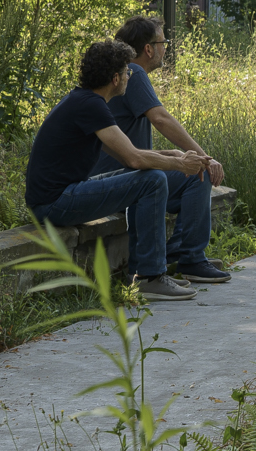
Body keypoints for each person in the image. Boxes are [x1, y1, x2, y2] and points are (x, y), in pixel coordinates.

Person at [23, 40, 208, 302]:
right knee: (153, 180)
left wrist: (173, 154)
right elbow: (134, 159)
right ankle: (149, 277)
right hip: (55, 203)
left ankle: (144, 272)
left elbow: (126, 154)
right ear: (115, 78)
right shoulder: (91, 105)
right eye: (126, 71)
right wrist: (180, 165)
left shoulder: (85, 101)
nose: (129, 76)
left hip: (60, 197)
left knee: (148, 177)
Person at [89, 16, 233, 284]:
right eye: (163, 42)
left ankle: (180, 255)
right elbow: (161, 119)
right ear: (148, 48)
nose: (165, 48)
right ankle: (189, 258)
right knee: (197, 174)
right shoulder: (134, 72)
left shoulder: (125, 74)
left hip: (112, 176)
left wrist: (176, 156)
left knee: (188, 173)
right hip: (119, 175)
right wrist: (205, 158)